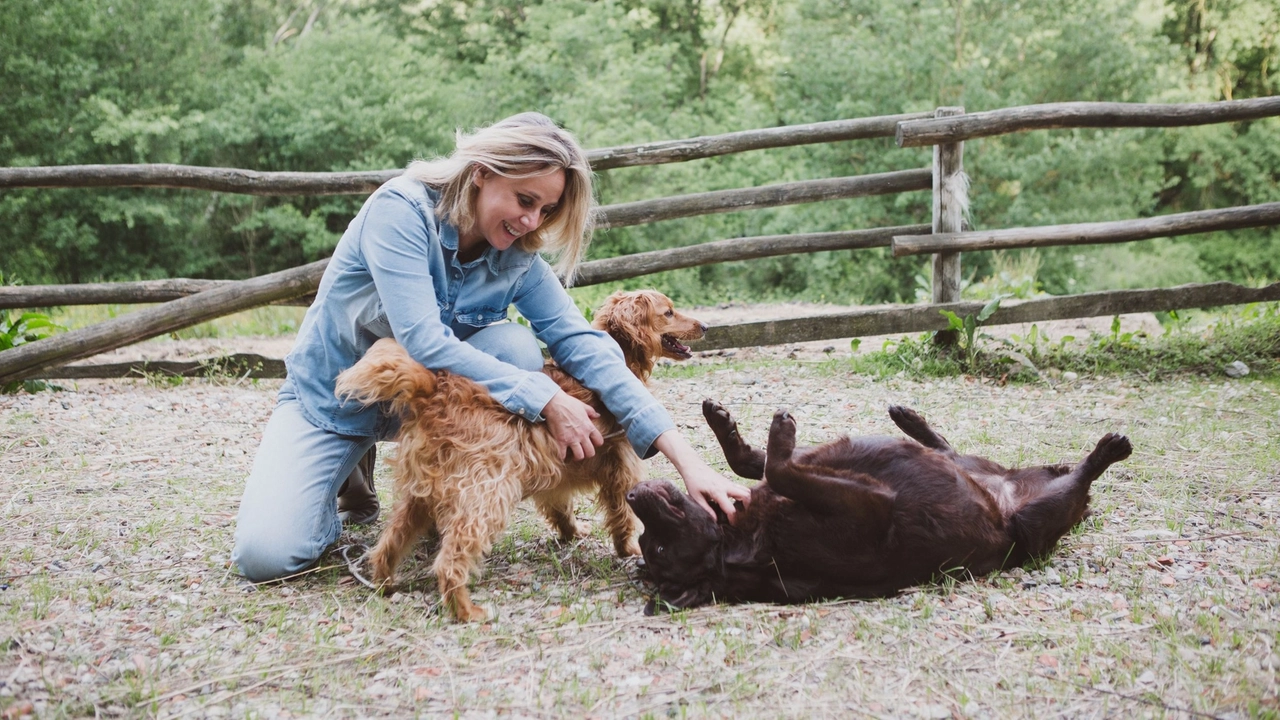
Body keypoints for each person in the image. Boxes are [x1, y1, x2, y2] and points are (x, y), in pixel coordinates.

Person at [232, 112, 751, 582]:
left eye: (546, 210)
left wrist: (688, 461)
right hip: (339, 401)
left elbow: (587, 346)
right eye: (525, 201)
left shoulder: (518, 258)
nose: (532, 222)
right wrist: (545, 398)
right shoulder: (401, 212)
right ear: (482, 172)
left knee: (514, 344)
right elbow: (422, 339)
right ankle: (348, 471)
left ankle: (441, 499)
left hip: (437, 410)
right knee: (267, 557)